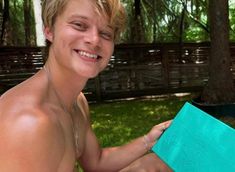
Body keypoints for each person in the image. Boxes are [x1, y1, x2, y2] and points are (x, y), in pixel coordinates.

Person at [0, 0, 172, 171]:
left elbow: (96, 162)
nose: (94, 40)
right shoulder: (27, 124)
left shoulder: (77, 102)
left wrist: (148, 140)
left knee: (156, 163)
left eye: (106, 33)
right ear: (49, 30)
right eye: (79, 25)